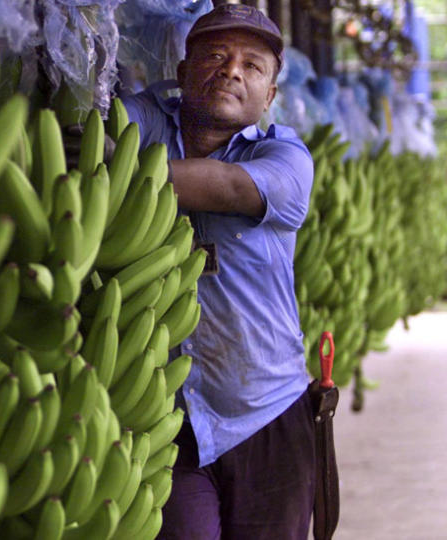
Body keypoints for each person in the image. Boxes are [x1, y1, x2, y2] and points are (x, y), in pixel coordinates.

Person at [118, 4, 316, 539]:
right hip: (160, 412)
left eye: (253, 66)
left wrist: (108, 168)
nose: (232, 70)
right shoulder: (141, 120)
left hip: (264, 411)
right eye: (215, 55)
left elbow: (226, 187)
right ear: (182, 74)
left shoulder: (286, 158)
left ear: (269, 96)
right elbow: (87, 132)